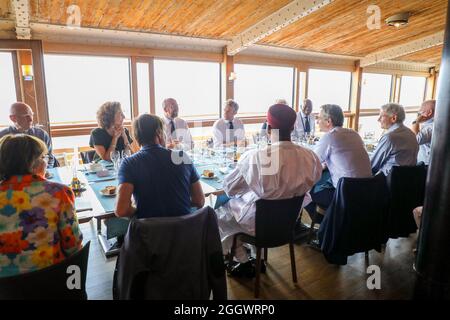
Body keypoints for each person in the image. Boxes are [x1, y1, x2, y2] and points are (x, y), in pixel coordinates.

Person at [216, 104, 322, 277]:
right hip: (288, 223)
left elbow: (230, 188)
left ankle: (242, 259)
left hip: (259, 224)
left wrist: (250, 181)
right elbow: (312, 181)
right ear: (294, 126)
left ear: (269, 127)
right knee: (246, 205)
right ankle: (255, 256)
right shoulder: (311, 157)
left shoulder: (256, 157)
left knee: (219, 212)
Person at [0, 134, 83, 278]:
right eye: (44, 157)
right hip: (51, 281)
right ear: (34, 163)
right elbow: (73, 246)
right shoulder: (58, 192)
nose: (46, 162)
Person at [115, 114, 205, 219]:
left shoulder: (129, 163)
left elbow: (121, 210)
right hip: (184, 231)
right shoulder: (182, 157)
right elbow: (200, 201)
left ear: (136, 137)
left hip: (149, 233)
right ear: (159, 133)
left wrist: (138, 209)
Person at [306, 104, 372, 215]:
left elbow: (311, 163)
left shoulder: (330, 137)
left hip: (344, 195)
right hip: (367, 192)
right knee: (324, 177)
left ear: (328, 121)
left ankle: (326, 226)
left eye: (319, 118)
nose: (317, 121)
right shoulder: (354, 134)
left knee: (305, 191)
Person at [0, 102, 56, 168]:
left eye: (31, 115)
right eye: (26, 116)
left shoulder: (41, 134)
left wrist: (47, 170)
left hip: (40, 174)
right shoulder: (3, 136)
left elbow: (49, 157)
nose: (31, 119)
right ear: (13, 118)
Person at [371, 103, 419, 175]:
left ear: (393, 118)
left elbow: (372, 165)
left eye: (381, 116)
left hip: (386, 181)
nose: (378, 119)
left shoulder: (390, 137)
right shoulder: (410, 133)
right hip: (408, 179)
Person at [411, 100, 436, 165]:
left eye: (420, 111)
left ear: (429, 112)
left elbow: (415, 140)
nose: (418, 114)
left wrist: (415, 122)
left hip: (426, 166)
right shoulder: (426, 124)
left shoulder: (431, 126)